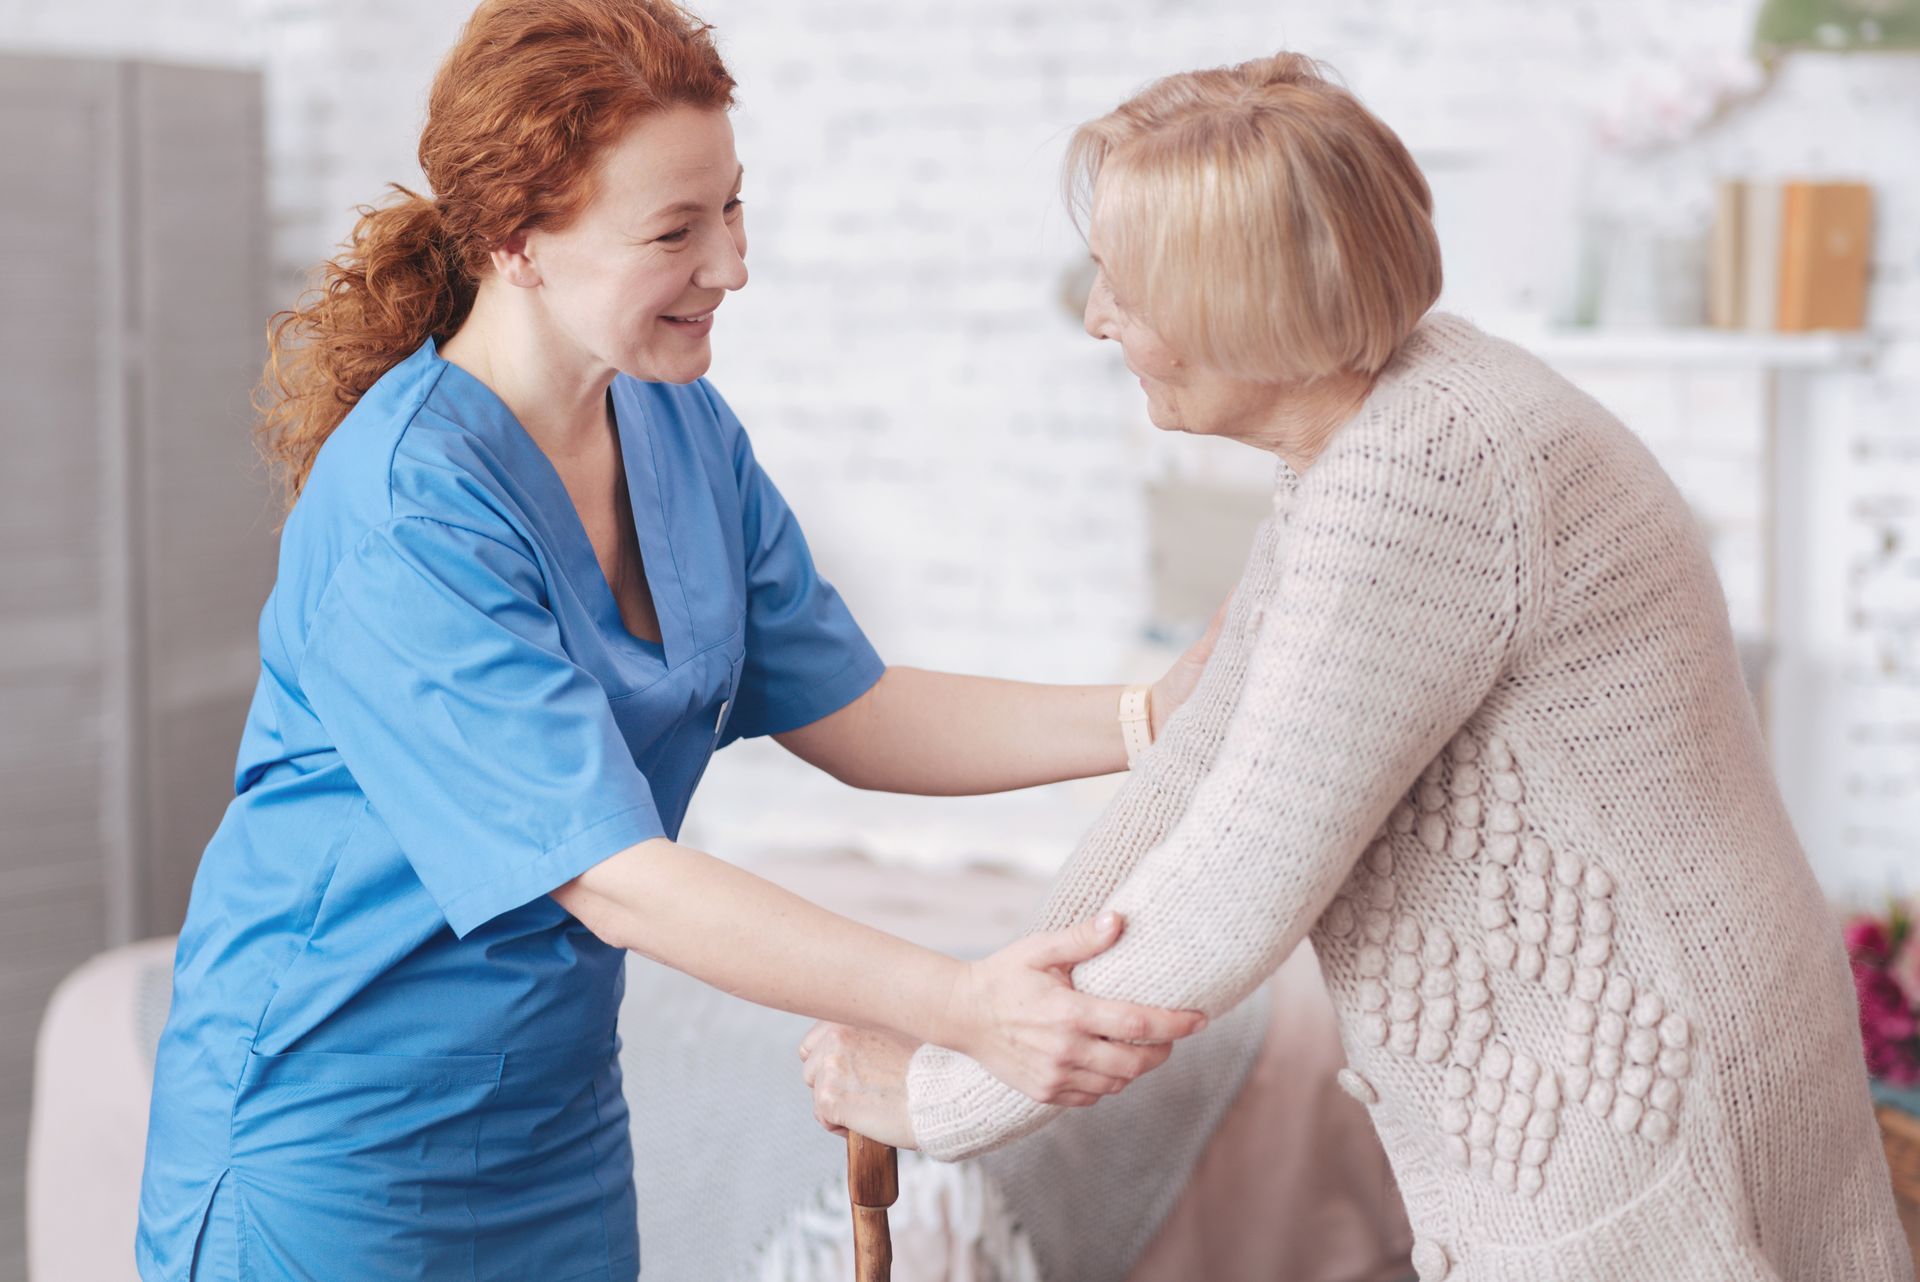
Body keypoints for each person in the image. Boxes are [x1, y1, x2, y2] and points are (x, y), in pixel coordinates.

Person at [134, 3, 1219, 1278]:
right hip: (332, 1146)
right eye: (674, 231)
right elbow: (610, 871)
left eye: (733, 209)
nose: (732, 267)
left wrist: (1154, 718)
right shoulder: (406, 507)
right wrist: (963, 1005)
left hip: (553, 1127)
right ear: (516, 242)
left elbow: (853, 708)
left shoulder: (680, 431)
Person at [800, 52, 1914, 1282]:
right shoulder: (1369, 439)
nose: (1098, 318)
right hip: (1654, 1066)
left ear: (1239, 303)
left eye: (1125, 286)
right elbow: (1197, 776)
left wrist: (947, 1097)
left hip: (1635, 1108)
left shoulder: (1421, 470)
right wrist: (973, 1013)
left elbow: (1238, 880)